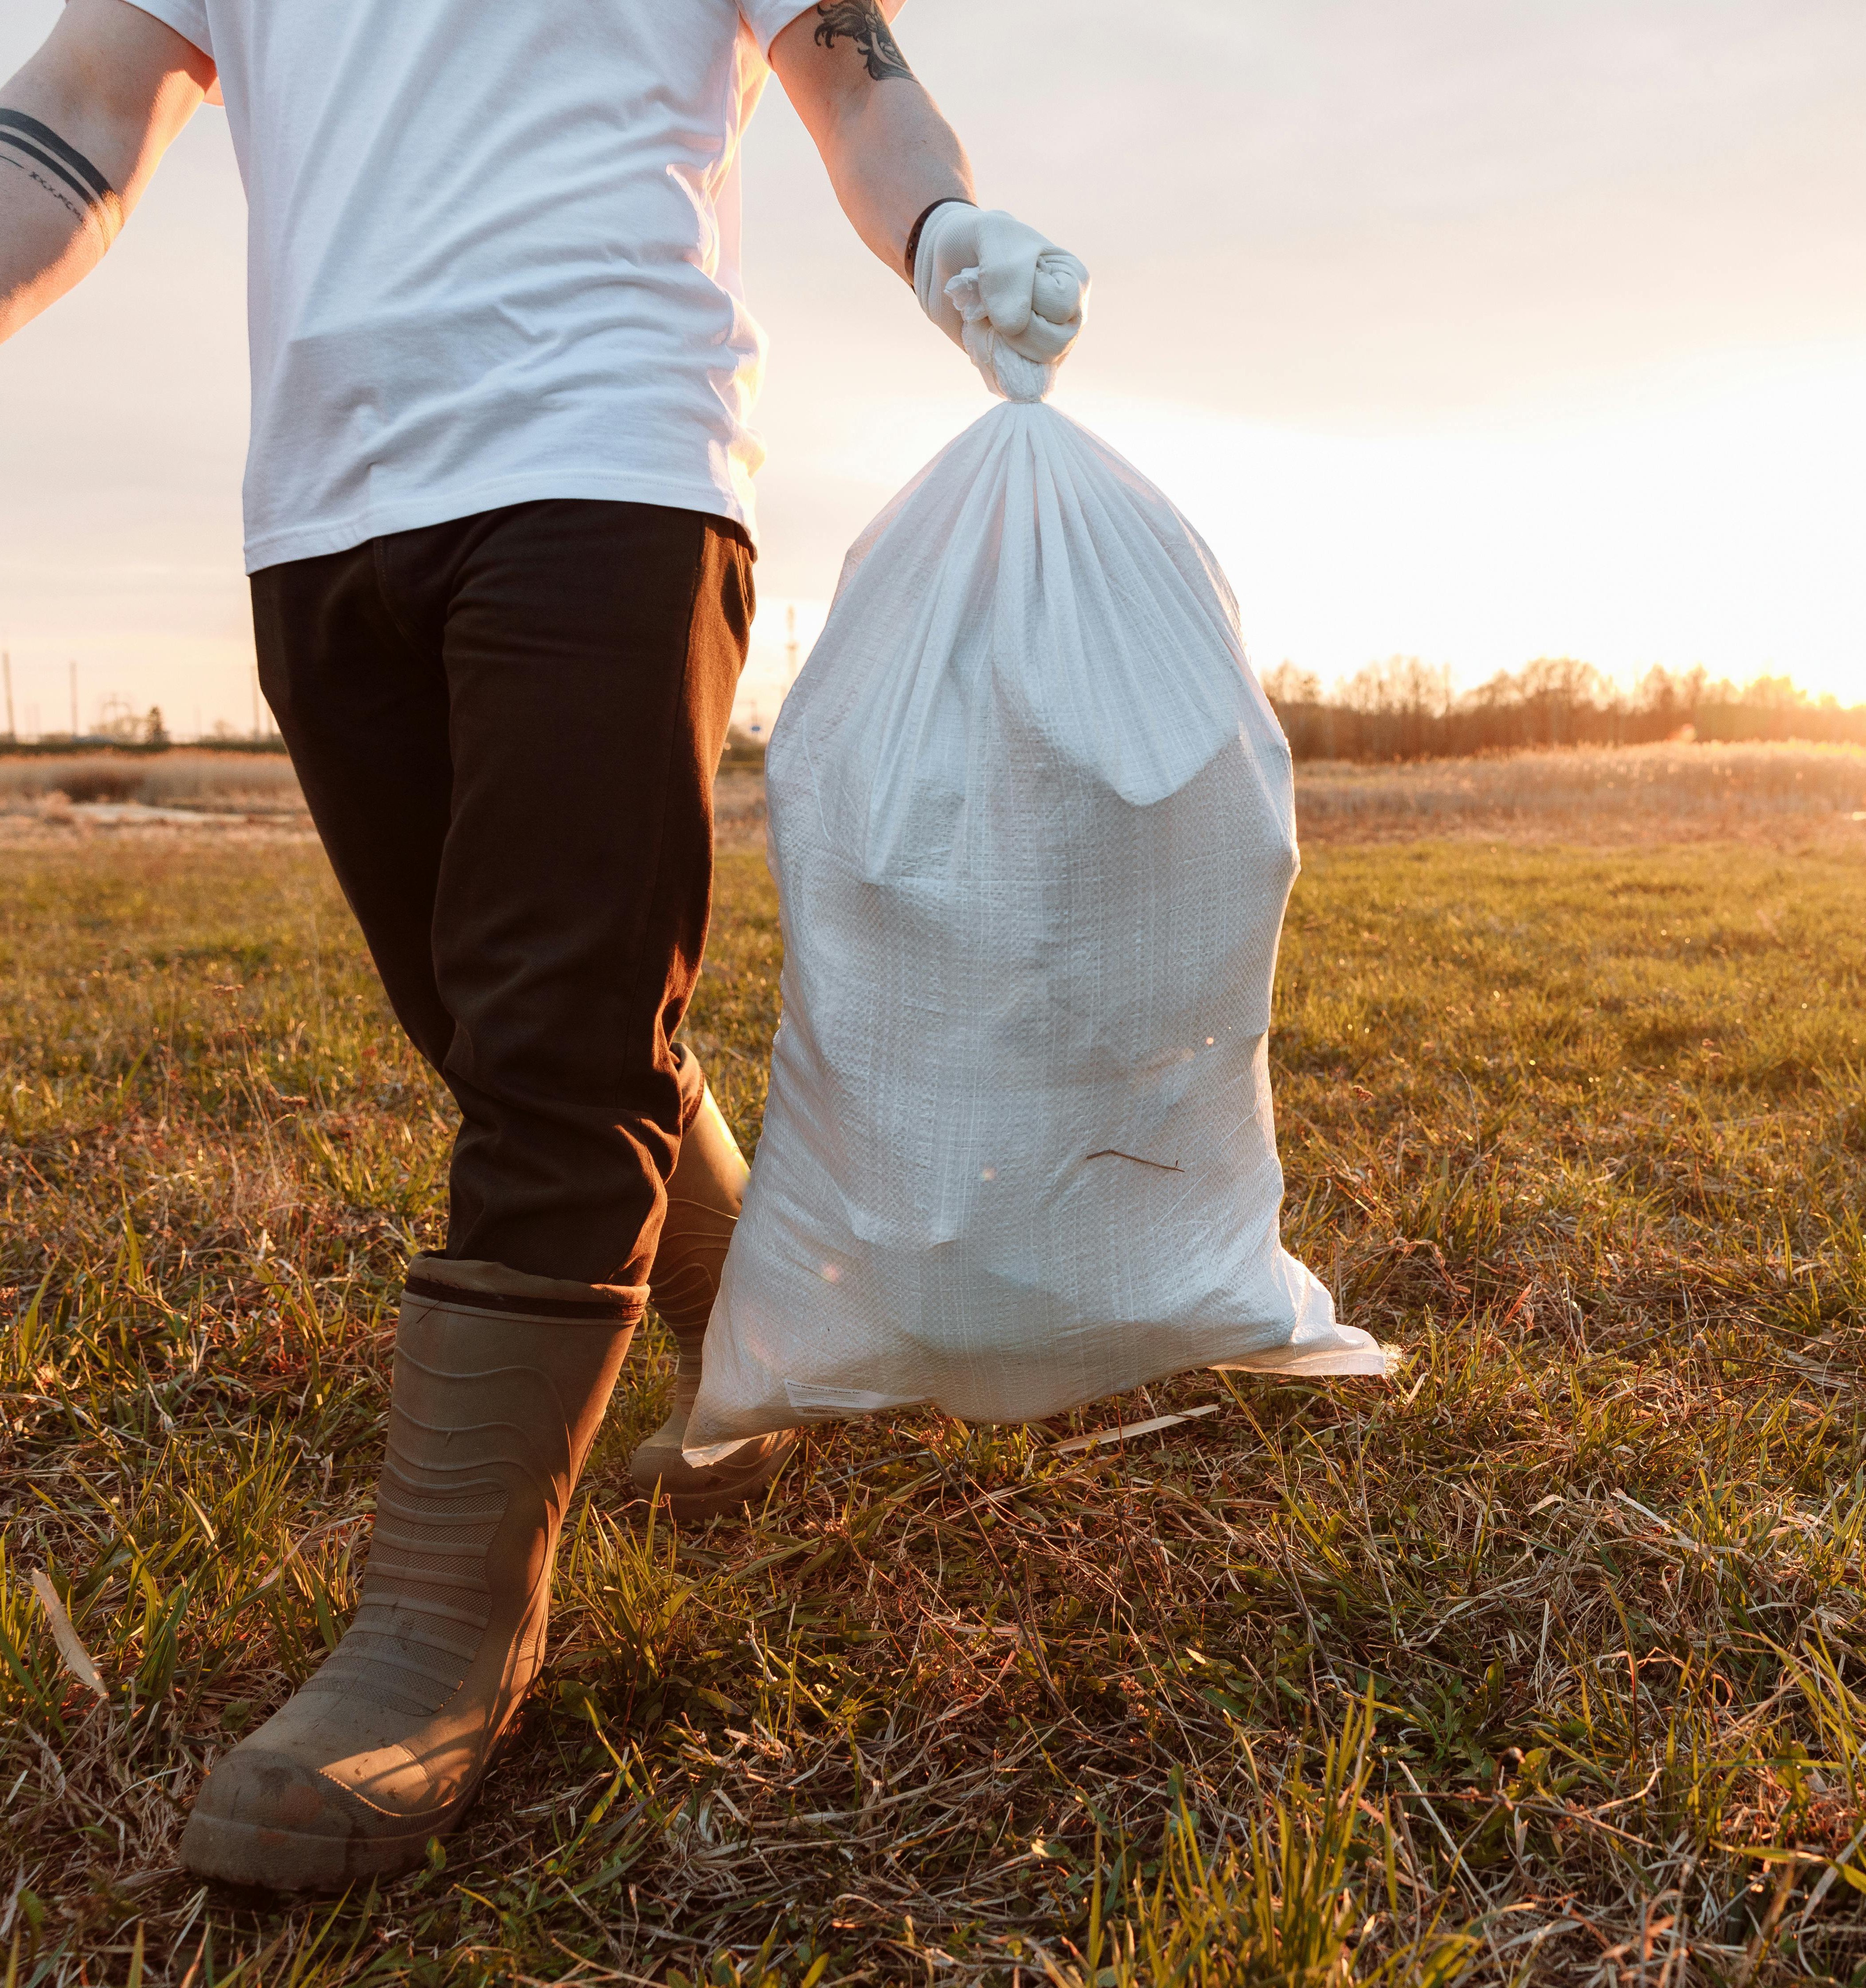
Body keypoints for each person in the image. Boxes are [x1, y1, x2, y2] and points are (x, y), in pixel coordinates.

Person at [0, 0, 1087, 1891]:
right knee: (484, 1003)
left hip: (611, 454)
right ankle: (773, 1322)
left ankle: (439, 1637)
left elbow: (851, 77)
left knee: (555, 1048)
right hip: (321, 504)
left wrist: (943, 233)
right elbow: (83, 108)